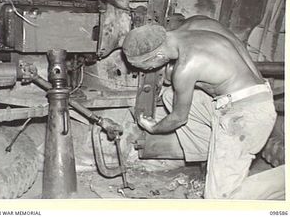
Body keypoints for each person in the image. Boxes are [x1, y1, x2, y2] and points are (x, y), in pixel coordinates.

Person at [122, 15, 285, 199]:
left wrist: (154, 127)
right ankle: (213, 156)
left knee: (219, 199)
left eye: (147, 67)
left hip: (246, 115)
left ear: (159, 56)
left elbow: (178, 118)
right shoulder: (196, 25)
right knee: (171, 96)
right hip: (254, 94)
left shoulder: (185, 67)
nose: (149, 70)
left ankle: (281, 180)